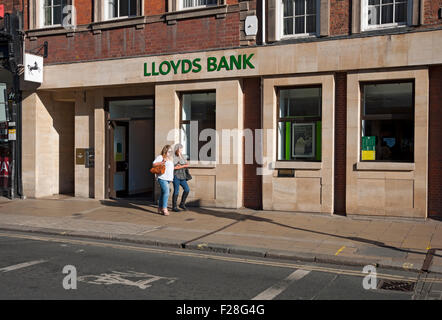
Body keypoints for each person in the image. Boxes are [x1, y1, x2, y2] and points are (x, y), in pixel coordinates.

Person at [152, 145, 174, 216]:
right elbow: (154, 164)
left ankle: (159, 208)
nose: (170, 152)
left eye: (171, 151)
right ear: (165, 150)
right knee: (166, 193)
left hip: (168, 178)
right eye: (169, 151)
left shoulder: (170, 159)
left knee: (163, 193)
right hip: (162, 178)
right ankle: (164, 208)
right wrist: (162, 162)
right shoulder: (161, 157)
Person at [172, 143, 190, 212]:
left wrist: (181, 164)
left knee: (187, 189)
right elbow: (174, 167)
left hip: (182, 175)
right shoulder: (173, 157)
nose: (181, 150)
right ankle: (174, 206)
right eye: (180, 148)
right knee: (176, 190)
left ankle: (182, 204)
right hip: (176, 176)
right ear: (177, 149)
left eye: (182, 148)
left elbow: (186, 164)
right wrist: (183, 165)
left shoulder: (183, 156)